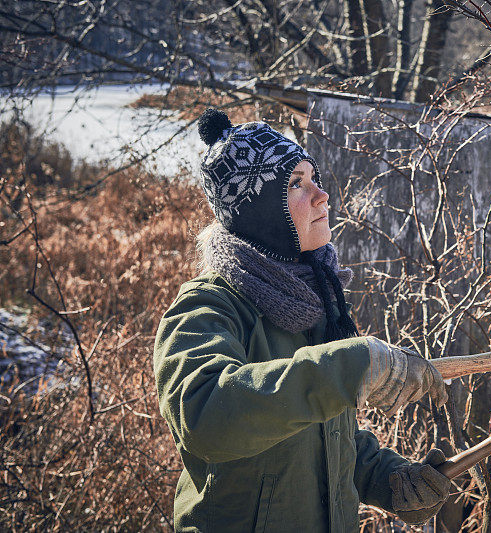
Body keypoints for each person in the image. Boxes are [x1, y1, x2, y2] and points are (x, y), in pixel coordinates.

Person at [153, 108, 452, 532]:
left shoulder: (311, 298)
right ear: (259, 210)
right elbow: (204, 418)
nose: (320, 195)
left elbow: (323, 437)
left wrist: (389, 479)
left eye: (314, 179)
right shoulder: (209, 306)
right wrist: (353, 365)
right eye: (295, 184)